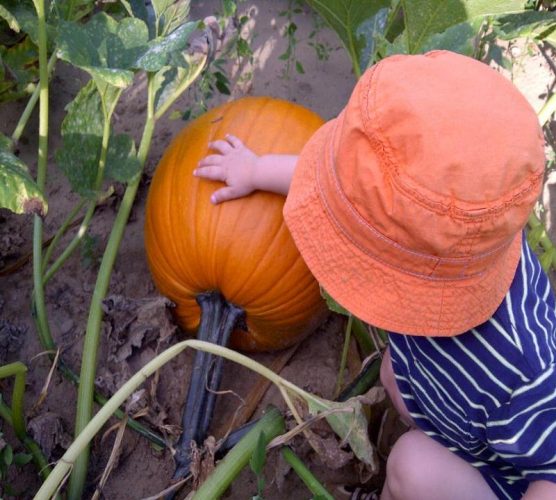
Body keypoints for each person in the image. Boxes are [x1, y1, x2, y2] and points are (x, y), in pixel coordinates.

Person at [193, 50, 556, 500]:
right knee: (391, 374)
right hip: (448, 401)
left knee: (412, 465)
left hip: (504, 477)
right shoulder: (473, 233)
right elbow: (353, 191)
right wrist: (256, 169)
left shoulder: (522, 368)